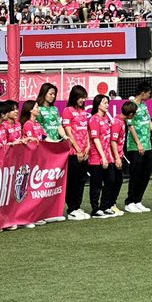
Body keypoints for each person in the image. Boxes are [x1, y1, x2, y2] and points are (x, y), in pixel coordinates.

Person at [123, 80, 152, 213]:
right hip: (135, 146)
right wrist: (138, 143)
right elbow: (130, 125)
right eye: (149, 93)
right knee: (135, 174)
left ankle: (138, 200)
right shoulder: (131, 105)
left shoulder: (144, 106)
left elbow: (148, 121)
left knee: (146, 173)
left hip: (147, 145)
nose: (150, 96)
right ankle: (129, 201)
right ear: (142, 93)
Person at [60, 84, 90, 220]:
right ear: (75, 97)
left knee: (82, 180)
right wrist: (77, 149)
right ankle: (71, 208)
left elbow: (86, 130)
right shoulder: (68, 110)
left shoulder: (83, 112)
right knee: (73, 181)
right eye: (80, 97)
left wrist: (88, 146)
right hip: (73, 152)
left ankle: (77, 206)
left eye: (84, 97)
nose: (82, 100)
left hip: (84, 151)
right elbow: (68, 131)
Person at [87, 94, 116, 218]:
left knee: (110, 181)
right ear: (98, 104)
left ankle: (105, 206)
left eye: (107, 102)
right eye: (104, 102)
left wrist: (109, 155)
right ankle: (95, 209)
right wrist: (103, 157)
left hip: (107, 156)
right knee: (96, 184)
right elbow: (96, 139)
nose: (107, 105)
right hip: (95, 158)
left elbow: (107, 140)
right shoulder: (94, 119)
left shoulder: (106, 120)